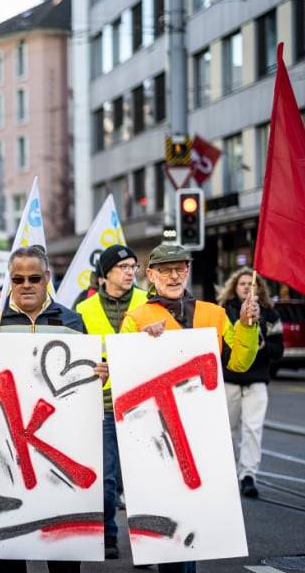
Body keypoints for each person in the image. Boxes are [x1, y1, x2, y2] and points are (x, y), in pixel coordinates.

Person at [0, 245, 106, 573]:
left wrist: (100, 374)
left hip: (61, 444)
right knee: (10, 533)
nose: (26, 285)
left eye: (34, 278)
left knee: (62, 533)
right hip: (4, 445)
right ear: (9, 280)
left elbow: (85, 377)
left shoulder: (72, 321)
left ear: (47, 277)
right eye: (18, 279)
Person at [119, 244, 260, 573]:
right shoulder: (136, 318)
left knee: (193, 519)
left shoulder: (214, 314)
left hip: (201, 429)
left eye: (180, 269)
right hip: (156, 433)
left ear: (188, 270)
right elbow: (122, 373)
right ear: (151, 275)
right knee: (170, 519)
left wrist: (247, 325)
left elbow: (239, 362)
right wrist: (141, 343)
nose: (173, 276)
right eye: (165, 270)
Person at [74, 244, 146, 560]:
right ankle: (107, 533)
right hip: (101, 405)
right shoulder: (83, 309)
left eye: (133, 266)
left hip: (142, 404)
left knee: (143, 480)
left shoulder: (149, 302)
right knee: (106, 479)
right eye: (123, 267)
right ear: (105, 274)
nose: (130, 272)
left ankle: (149, 545)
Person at [217, 268, 282, 498]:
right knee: (227, 430)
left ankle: (248, 475)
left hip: (257, 381)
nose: (247, 286)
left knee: (252, 430)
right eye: (242, 283)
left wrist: (263, 346)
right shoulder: (223, 311)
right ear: (234, 287)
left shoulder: (270, 314)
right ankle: (226, 473)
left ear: (259, 288)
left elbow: (279, 349)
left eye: (251, 283)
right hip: (230, 380)